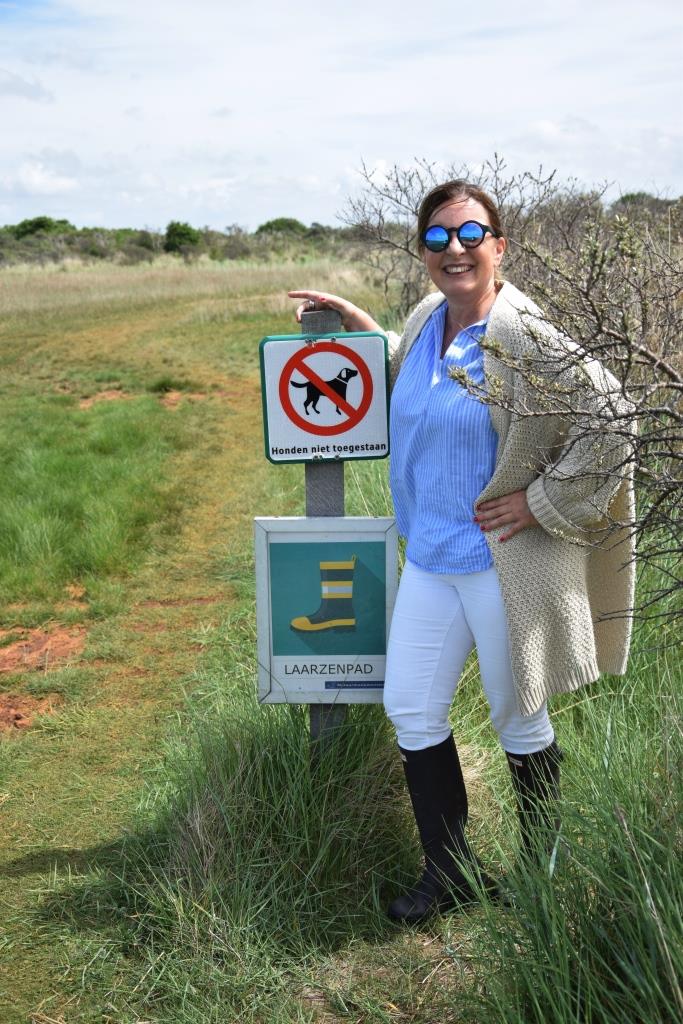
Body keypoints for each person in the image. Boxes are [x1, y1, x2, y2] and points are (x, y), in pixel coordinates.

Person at [288, 180, 634, 924]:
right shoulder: (425, 322)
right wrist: (363, 332)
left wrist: (540, 502)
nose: (456, 250)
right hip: (431, 562)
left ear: (498, 247)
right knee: (411, 707)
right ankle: (448, 874)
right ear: (422, 253)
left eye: (470, 234)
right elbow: (414, 385)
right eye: (438, 238)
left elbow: (614, 418)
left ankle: (539, 877)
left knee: (519, 719)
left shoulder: (525, 337)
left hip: (499, 565)